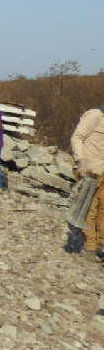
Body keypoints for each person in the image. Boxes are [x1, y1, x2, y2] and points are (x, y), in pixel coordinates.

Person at [70, 106, 104, 259]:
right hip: (92, 170)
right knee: (89, 209)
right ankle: (89, 246)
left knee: (102, 210)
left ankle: (100, 246)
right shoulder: (95, 115)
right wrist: (81, 161)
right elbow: (77, 138)